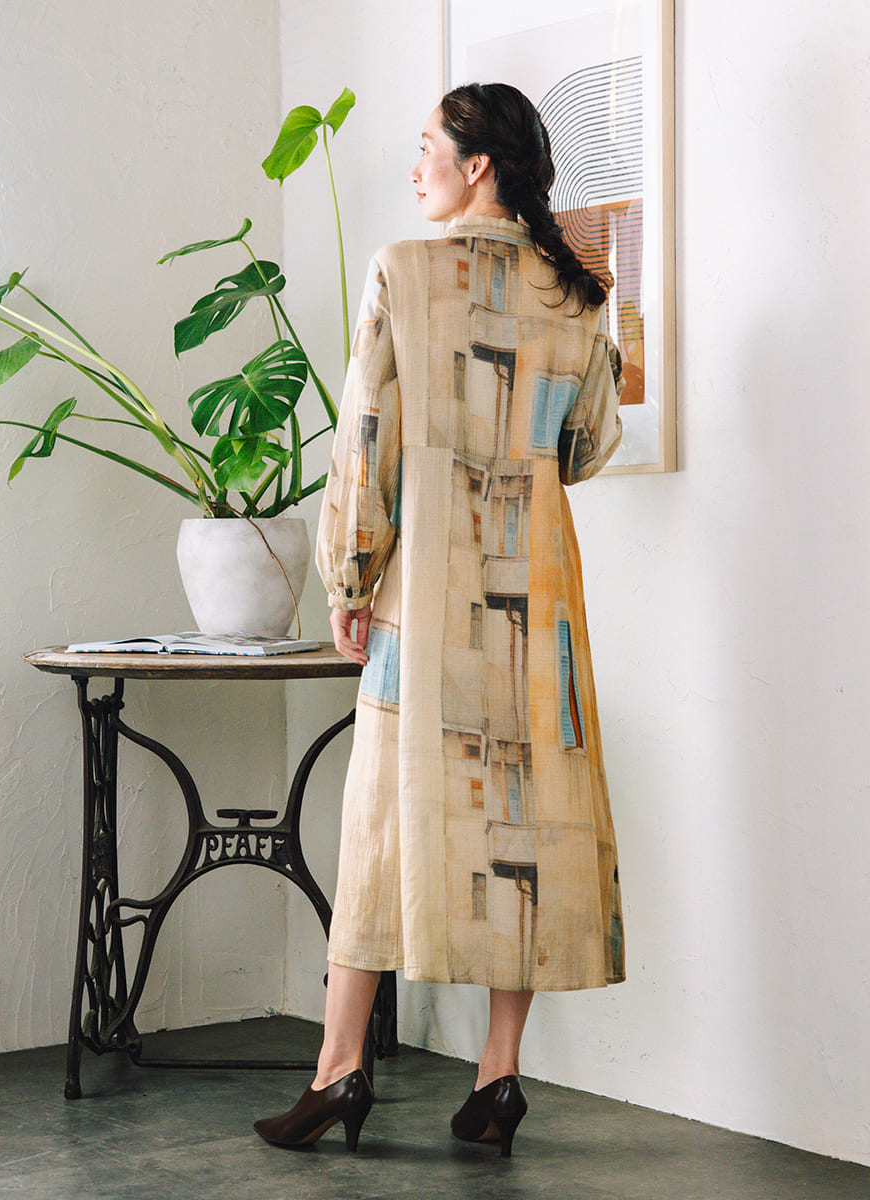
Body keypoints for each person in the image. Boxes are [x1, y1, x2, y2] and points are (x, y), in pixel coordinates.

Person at [254, 81, 626, 1158]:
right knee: (527, 830)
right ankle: (497, 1080)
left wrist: (348, 579)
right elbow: (584, 451)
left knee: (379, 821)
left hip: (423, 594)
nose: (414, 165)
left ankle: (338, 1072)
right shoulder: (577, 293)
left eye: (427, 146)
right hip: (539, 603)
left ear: (477, 165)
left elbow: (366, 438)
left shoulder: (403, 272)